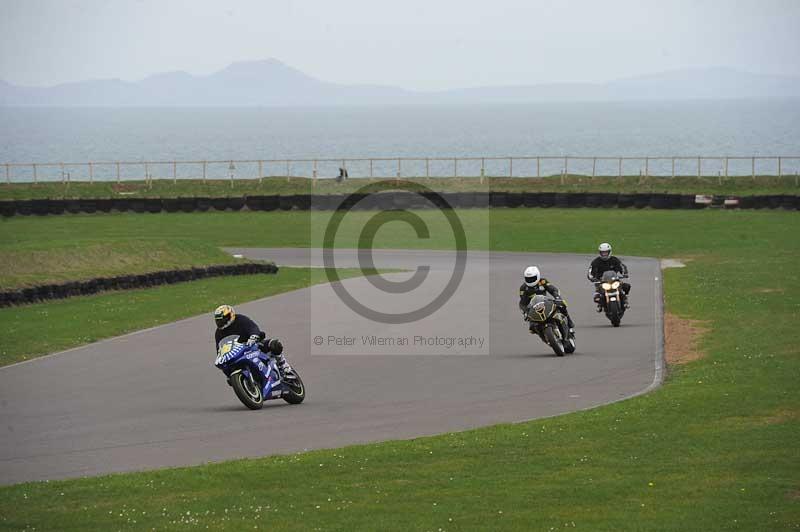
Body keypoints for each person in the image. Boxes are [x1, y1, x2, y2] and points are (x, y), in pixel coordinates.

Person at [213, 304, 296, 380]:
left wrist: (253, 336)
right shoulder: (218, 333)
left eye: (224, 319)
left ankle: (284, 365)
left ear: (230, 315)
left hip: (251, 345)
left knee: (274, 344)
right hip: (237, 355)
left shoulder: (240, 319)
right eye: (219, 321)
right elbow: (219, 349)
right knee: (225, 367)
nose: (221, 322)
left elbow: (253, 327)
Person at [518, 265, 575, 333]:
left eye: (532, 278)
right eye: (528, 278)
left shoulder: (542, 282)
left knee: (562, 305)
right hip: (533, 307)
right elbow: (523, 302)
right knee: (532, 328)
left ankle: (569, 324)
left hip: (546, 302)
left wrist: (557, 297)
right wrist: (526, 312)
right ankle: (544, 335)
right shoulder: (523, 288)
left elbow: (553, 289)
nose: (530, 280)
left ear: (538, 276)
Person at [586, 243, 631, 308]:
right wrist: (592, 278)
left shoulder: (614, 260)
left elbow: (622, 267)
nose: (604, 254)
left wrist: (625, 274)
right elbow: (590, 271)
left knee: (627, 286)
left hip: (614, 280)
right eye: (603, 253)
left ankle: (625, 300)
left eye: (606, 252)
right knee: (596, 298)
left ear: (609, 252)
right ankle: (600, 305)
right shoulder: (596, 262)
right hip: (601, 282)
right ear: (600, 253)